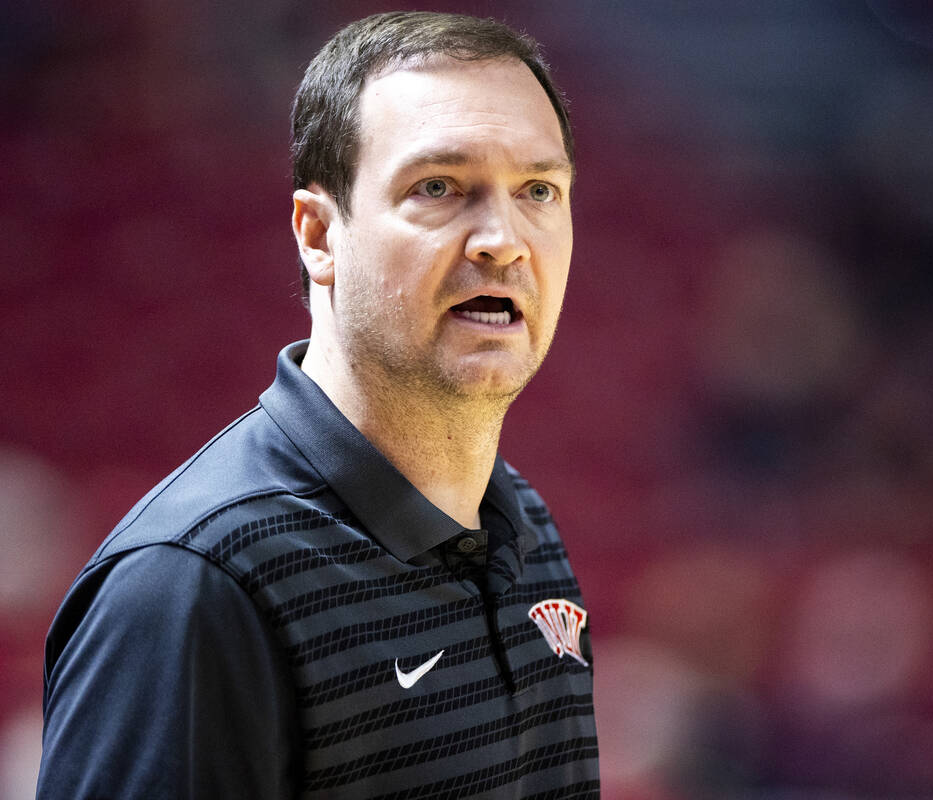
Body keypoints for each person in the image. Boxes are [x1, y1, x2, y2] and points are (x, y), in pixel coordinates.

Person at [37, 11, 598, 798]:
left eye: (539, 189)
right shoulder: (191, 588)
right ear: (318, 234)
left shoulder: (526, 529)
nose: (502, 239)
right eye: (437, 187)